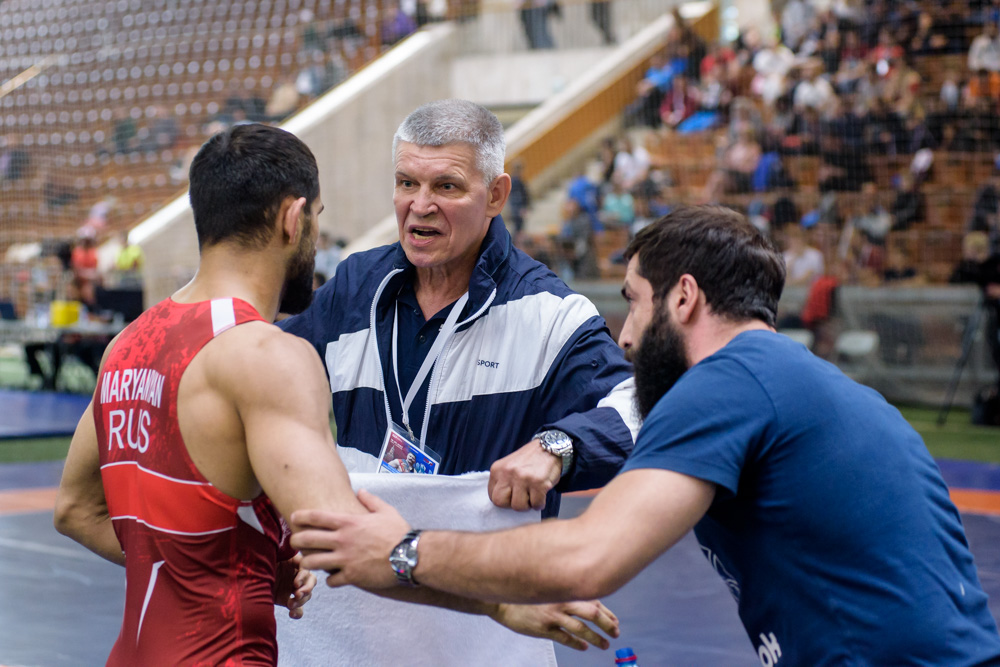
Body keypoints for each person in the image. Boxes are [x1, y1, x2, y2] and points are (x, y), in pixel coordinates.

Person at [292, 206, 1000, 666]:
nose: (625, 337)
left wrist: (405, 550)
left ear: (684, 296)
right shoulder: (798, 380)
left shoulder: (727, 381)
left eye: (632, 303)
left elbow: (588, 555)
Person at [53, 123, 614, 664]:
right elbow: (350, 546)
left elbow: (76, 510)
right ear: (293, 219)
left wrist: (215, 567)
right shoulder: (268, 354)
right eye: (317, 218)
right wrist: (498, 601)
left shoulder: (128, 344)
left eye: (443, 186)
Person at [279, 99, 638, 519]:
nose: (420, 205)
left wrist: (555, 448)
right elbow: (261, 363)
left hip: (482, 579)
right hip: (356, 575)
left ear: (496, 195)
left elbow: (638, 407)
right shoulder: (355, 286)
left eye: (446, 186)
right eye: (406, 183)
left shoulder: (550, 314)